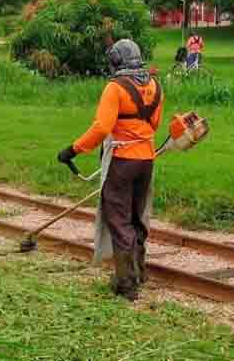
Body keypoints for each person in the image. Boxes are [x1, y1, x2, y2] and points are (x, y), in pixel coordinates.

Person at [57, 39, 164, 301]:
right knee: (138, 216)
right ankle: (139, 272)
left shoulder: (115, 88)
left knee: (119, 219)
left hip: (122, 161)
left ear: (115, 61)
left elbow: (102, 128)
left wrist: (73, 150)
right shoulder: (155, 85)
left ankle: (125, 283)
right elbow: (156, 124)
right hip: (146, 160)